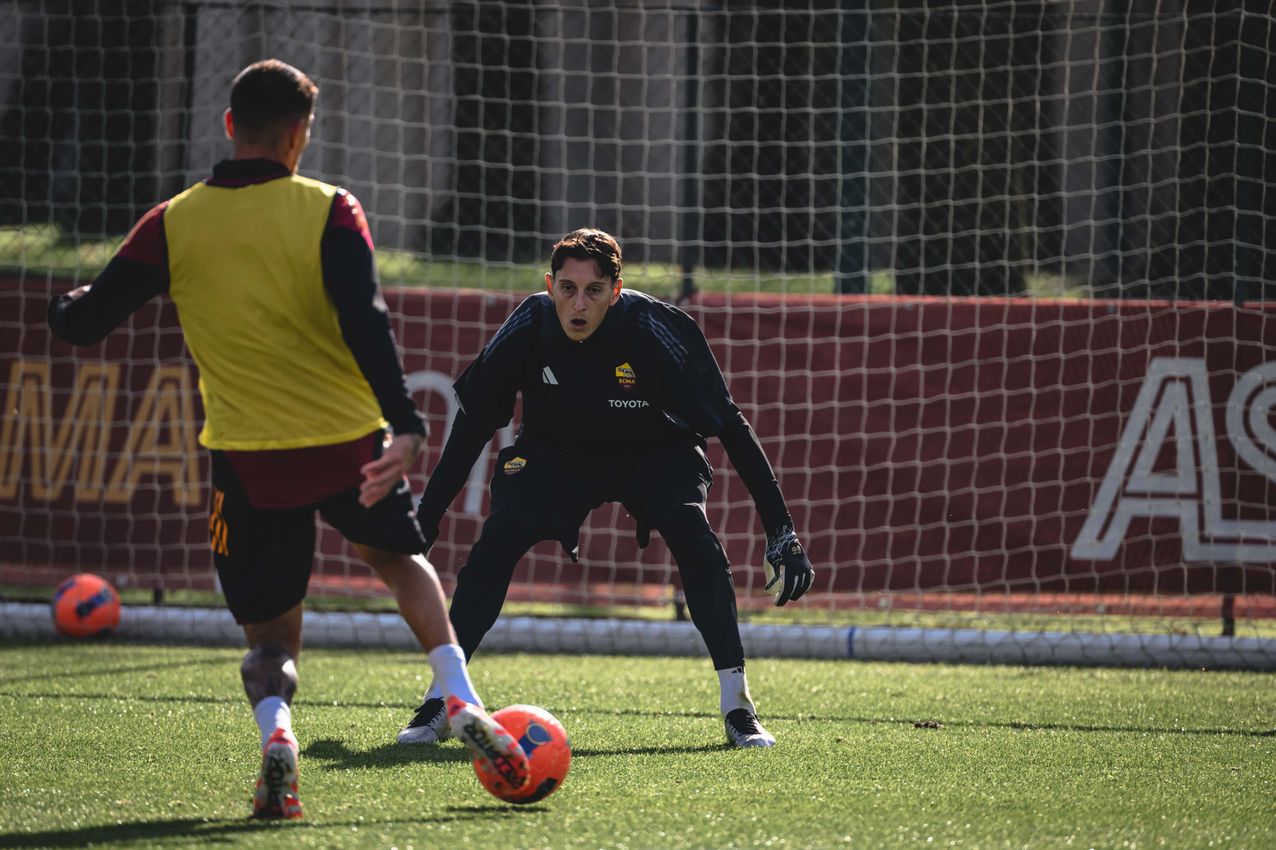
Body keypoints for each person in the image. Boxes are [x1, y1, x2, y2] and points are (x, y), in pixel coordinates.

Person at [46, 59, 530, 819]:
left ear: (231, 125)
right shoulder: (331, 208)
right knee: (402, 562)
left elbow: (88, 322)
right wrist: (404, 424)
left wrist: (64, 304)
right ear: (301, 133)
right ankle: (462, 698)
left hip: (248, 459)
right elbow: (367, 318)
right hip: (349, 444)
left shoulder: (174, 221)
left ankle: (279, 738)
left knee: (271, 638)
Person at [398, 227, 815, 749]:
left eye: (594, 291)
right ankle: (443, 698)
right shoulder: (528, 324)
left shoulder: (656, 328)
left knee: (696, 536)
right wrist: (427, 519)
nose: (579, 304)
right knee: (498, 537)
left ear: (616, 292)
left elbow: (731, 426)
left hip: (655, 452)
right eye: (567, 289)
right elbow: (472, 427)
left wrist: (782, 532)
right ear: (549, 286)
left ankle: (738, 704)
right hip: (556, 454)